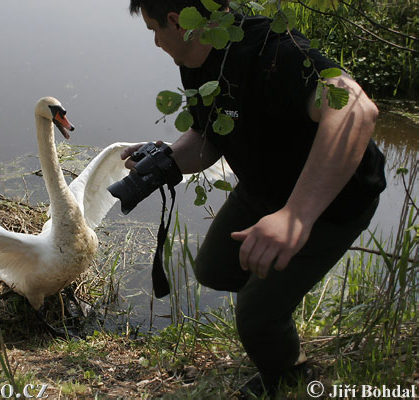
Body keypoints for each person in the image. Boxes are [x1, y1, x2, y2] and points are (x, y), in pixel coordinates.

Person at [124, 0, 386, 396]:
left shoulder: (273, 52)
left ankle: (287, 377)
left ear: (176, 22)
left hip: (334, 199)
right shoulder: (197, 58)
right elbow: (208, 137)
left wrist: (295, 217)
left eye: (153, 30)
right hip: (266, 187)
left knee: (255, 317)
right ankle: (280, 295)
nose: (156, 42)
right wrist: (166, 159)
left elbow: (357, 109)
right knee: (214, 267)